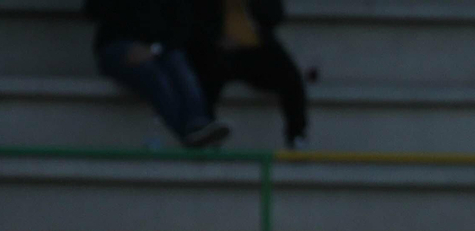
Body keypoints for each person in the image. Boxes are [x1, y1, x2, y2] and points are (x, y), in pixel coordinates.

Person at [84, 0, 231, 148]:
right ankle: (190, 133)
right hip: (117, 45)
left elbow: (181, 27)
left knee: (180, 67)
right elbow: (93, 10)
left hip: (161, 47)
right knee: (153, 74)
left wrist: (154, 49)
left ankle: (199, 122)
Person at [189, 0, 309, 148]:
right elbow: (195, 18)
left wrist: (255, 31)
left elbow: (275, 13)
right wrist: (216, 38)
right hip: (216, 49)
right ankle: (207, 133)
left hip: (254, 47)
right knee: (204, 79)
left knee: (290, 76)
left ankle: (297, 135)